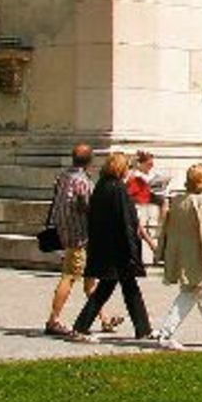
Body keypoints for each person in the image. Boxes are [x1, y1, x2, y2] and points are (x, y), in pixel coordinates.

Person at [69, 151, 153, 342]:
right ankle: (142, 329)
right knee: (123, 289)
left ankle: (143, 328)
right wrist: (132, 249)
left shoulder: (102, 186)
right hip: (118, 248)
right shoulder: (118, 190)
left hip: (105, 245)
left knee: (114, 288)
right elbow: (126, 221)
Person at [45, 143, 124, 337]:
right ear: (90, 161)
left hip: (66, 232)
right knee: (69, 276)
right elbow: (88, 208)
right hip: (79, 235)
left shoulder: (62, 176)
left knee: (90, 281)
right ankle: (53, 320)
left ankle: (103, 319)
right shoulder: (82, 181)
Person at [153, 164, 202, 350]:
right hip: (198, 256)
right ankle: (166, 333)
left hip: (183, 255)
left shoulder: (179, 201)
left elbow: (167, 229)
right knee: (190, 294)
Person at [128, 151, 165, 261]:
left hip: (149, 198)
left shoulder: (150, 175)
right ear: (141, 164)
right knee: (139, 223)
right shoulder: (134, 175)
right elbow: (130, 194)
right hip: (137, 203)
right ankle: (153, 246)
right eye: (149, 164)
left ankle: (161, 229)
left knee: (165, 202)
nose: (151, 167)